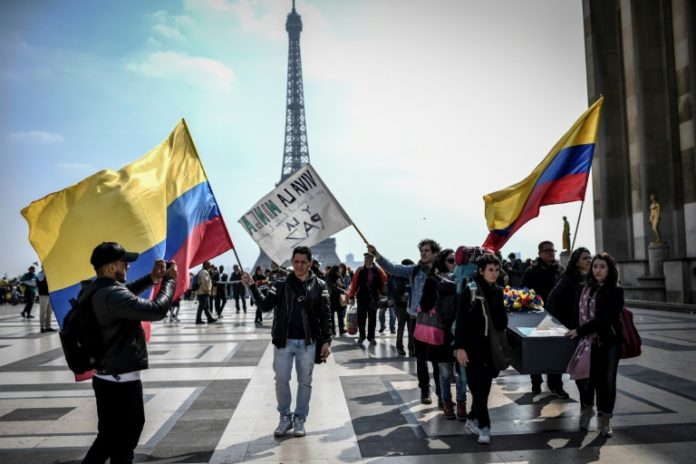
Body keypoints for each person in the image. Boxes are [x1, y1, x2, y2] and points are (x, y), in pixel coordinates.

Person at [82, 242, 177, 464]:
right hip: (120, 382)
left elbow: (126, 293)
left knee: (108, 439)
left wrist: (152, 278)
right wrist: (169, 280)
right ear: (110, 267)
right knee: (123, 442)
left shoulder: (98, 289)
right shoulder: (110, 295)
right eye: (124, 263)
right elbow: (156, 310)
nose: (128, 267)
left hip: (107, 376)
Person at [241, 246, 332, 438]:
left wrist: (327, 341)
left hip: (308, 342)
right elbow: (265, 306)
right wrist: (251, 285)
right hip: (284, 340)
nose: (299, 265)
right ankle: (285, 417)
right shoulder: (281, 283)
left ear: (310, 263)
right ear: (292, 261)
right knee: (281, 380)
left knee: (305, 382)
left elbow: (325, 315)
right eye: (296, 261)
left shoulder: (320, 285)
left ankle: (300, 418)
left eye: (303, 262)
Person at [369, 239, 442, 406]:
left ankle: (440, 391)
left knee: (438, 359)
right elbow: (393, 268)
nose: (423, 253)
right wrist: (377, 255)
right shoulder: (415, 270)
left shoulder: (442, 271)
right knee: (421, 358)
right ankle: (425, 389)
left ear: (435, 253)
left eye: (427, 251)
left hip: (437, 320)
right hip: (418, 319)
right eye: (421, 251)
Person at [566, 252, 623, 437]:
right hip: (586, 342)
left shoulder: (615, 290)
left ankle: (605, 421)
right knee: (584, 379)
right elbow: (576, 313)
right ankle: (587, 407)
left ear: (609, 269)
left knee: (607, 382)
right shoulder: (584, 288)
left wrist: (580, 331)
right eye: (595, 266)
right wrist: (574, 330)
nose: (598, 270)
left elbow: (606, 318)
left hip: (608, 342)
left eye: (602, 267)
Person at [455, 254, 508, 445]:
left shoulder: (498, 291)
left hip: (490, 348)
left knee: (483, 389)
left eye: (496, 270)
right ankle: (485, 427)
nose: (494, 274)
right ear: (481, 271)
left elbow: (501, 322)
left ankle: (471, 419)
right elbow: (461, 320)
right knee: (477, 389)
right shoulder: (470, 290)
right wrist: (460, 348)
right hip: (472, 348)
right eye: (490, 270)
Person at [424, 249, 467, 421]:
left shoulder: (463, 281)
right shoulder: (433, 281)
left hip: (460, 334)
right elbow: (425, 305)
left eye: (457, 261)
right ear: (442, 262)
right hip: (441, 334)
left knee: (461, 373)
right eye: (450, 260)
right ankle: (447, 403)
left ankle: (462, 403)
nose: (454, 264)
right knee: (444, 373)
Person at [521, 241, 566, 397]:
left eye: (553, 250)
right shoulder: (531, 271)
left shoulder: (560, 270)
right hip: (537, 316)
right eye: (547, 251)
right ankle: (536, 381)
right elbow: (525, 293)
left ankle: (556, 385)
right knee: (536, 350)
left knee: (556, 352)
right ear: (540, 253)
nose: (551, 253)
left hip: (557, 316)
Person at [547, 247, 592, 331]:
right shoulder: (568, 278)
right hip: (570, 325)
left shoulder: (592, 278)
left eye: (590, 257)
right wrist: (555, 322)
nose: (589, 260)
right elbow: (552, 298)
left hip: (587, 324)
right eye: (585, 258)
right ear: (576, 263)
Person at [347, 252, 388, 345]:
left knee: (372, 319)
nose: (367, 261)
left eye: (369, 259)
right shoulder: (359, 270)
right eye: (365, 259)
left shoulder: (378, 270)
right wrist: (351, 297)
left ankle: (371, 337)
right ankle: (362, 336)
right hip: (362, 297)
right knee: (361, 318)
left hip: (374, 298)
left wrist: (383, 294)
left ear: (373, 259)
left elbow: (384, 282)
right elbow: (354, 284)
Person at [387, 259, 414, 356]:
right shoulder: (398, 276)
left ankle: (406, 348)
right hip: (401, 305)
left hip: (404, 306)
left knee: (407, 327)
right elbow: (392, 288)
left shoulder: (396, 275)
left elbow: (389, 288)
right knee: (404, 327)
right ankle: (404, 348)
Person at [326, 265, 347, 336]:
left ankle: (341, 329)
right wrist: (342, 290)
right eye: (338, 271)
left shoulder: (339, 277)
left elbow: (343, 287)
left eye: (340, 271)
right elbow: (332, 287)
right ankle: (333, 330)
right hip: (331, 298)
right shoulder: (329, 277)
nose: (340, 272)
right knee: (331, 315)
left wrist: (341, 285)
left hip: (339, 298)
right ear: (335, 271)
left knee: (340, 314)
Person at [36, 267, 56, 333]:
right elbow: (41, 280)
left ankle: (48, 326)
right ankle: (42, 327)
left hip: (49, 294)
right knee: (43, 311)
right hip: (43, 295)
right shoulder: (40, 274)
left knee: (49, 312)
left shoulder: (49, 274)